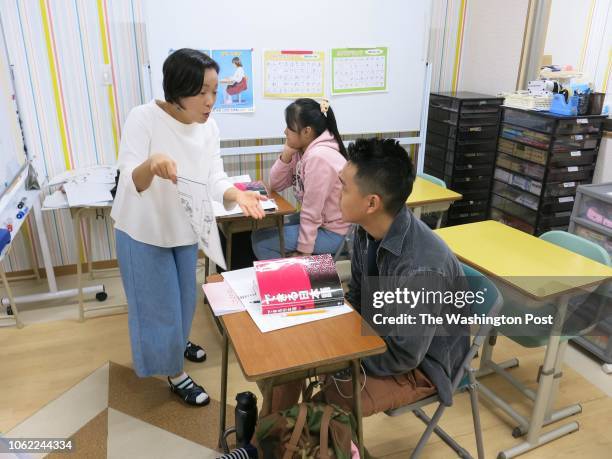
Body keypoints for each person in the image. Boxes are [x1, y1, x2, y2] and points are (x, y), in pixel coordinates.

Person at [269, 138, 469, 416]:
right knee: (289, 361)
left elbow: (405, 356)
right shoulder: (365, 230)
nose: (336, 190)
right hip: (380, 337)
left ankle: (298, 438)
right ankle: (268, 440)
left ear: (371, 203)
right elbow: (358, 296)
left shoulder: (421, 269)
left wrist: (337, 360)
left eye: (344, 186)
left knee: (328, 404)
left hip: (422, 367)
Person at [111, 48, 265, 406]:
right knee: (157, 305)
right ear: (178, 90)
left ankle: (176, 344)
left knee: (183, 298)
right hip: (142, 228)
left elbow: (214, 176)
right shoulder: (143, 118)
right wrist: (152, 163)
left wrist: (234, 195)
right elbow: (132, 179)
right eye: (202, 92)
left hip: (183, 225)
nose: (211, 101)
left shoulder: (208, 126)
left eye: (215, 90)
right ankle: (174, 372)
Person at [251, 98, 350, 259]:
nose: (285, 131)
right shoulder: (303, 151)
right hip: (322, 223)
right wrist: (286, 156)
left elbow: (312, 211)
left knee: (262, 242)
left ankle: (290, 282)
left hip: (335, 232)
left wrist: (304, 251)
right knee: (260, 233)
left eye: (289, 127)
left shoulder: (319, 158)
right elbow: (275, 184)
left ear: (306, 132)